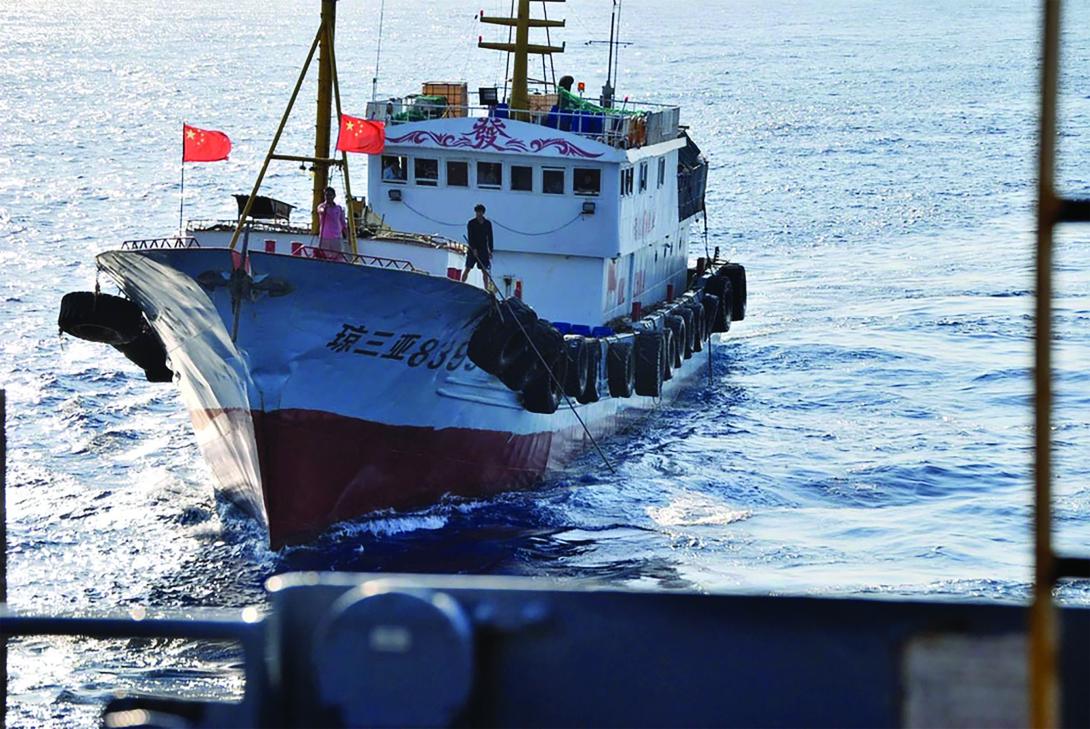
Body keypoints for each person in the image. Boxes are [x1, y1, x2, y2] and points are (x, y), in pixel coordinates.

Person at [462, 203, 494, 282]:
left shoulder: (487, 224)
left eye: (480, 212)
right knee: (468, 268)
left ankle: (486, 289)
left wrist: (490, 250)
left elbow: (490, 237)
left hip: (483, 249)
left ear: (483, 213)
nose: (478, 214)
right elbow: (470, 237)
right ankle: (461, 283)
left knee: (484, 271)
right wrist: (474, 249)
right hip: (472, 249)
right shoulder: (471, 223)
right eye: (477, 212)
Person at [316, 186, 347, 259]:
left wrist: (347, 235)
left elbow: (343, 223)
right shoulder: (321, 206)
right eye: (326, 195)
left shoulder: (338, 208)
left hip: (336, 237)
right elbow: (320, 210)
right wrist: (324, 209)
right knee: (322, 257)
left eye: (330, 195)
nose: (328, 197)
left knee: (338, 257)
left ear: (334, 196)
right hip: (324, 237)